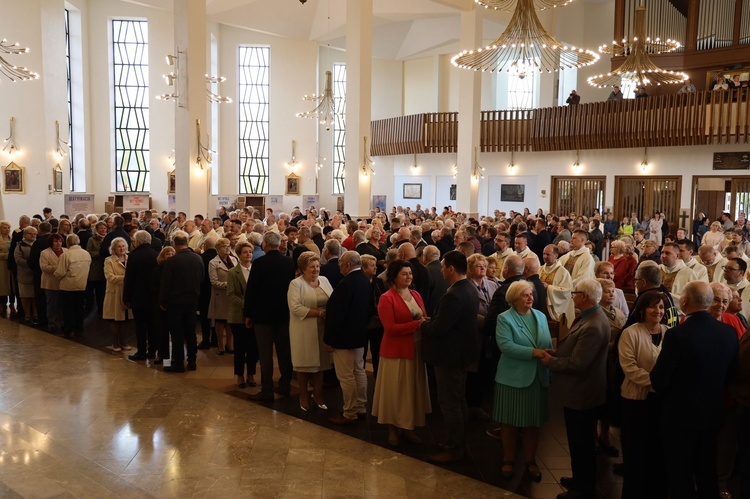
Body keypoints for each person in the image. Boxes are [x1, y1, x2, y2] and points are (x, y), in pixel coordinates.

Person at [651, 281, 739, 499]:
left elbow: (659, 379)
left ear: (684, 301)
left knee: (680, 472)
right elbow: (733, 375)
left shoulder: (678, 335)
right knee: (707, 469)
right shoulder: (728, 333)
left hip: (680, 416)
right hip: (713, 413)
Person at [541, 279, 610, 499]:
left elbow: (578, 364)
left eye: (575, 293)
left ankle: (583, 487)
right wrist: (557, 354)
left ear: (586, 297)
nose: (572, 296)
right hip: (582, 391)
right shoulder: (591, 317)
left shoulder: (593, 325)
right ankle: (579, 478)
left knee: (582, 442)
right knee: (577, 439)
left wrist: (550, 362)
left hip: (582, 392)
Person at [420, 250, 479, 463]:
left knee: (449, 403)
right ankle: (457, 442)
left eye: (444, 266)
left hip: (450, 355)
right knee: (458, 399)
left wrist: (423, 323)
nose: (442, 270)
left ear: (451, 269)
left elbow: (438, 329)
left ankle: (455, 448)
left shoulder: (454, 294)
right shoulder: (469, 287)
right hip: (462, 352)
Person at [494, 280, 552, 482]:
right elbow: (505, 346)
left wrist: (550, 354)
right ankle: (508, 459)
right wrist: (534, 352)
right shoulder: (505, 318)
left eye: (531, 294)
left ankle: (530, 460)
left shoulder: (541, 316)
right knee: (509, 422)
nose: (530, 298)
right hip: (512, 377)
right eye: (525, 295)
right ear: (514, 298)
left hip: (537, 377)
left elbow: (547, 342)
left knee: (532, 423)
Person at [372, 259, 431, 446]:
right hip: (395, 352)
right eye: (404, 274)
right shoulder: (386, 298)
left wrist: (426, 321)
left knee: (410, 391)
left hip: (416, 348)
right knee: (395, 392)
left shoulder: (415, 294)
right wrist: (418, 324)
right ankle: (392, 430)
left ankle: (407, 427)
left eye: (410, 274)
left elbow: (422, 315)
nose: (408, 277)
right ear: (394, 277)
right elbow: (390, 328)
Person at [618, 291, 669, 499]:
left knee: (657, 453)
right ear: (642, 310)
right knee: (635, 452)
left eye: (661, 307)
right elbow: (629, 367)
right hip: (635, 400)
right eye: (653, 307)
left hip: (660, 402)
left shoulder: (669, 332)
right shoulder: (631, 333)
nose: (658, 311)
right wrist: (656, 382)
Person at [244, 231, 296, 400]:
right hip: (283, 314)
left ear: (265, 244)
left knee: (265, 353)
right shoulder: (289, 263)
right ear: (279, 243)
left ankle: (267, 389)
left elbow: (251, 290)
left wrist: (248, 314)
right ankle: (285, 384)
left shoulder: (259, 263)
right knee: (284, 352)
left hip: (262, 315)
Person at [324, 251, 371, 424]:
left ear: (348, 265)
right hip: (359, 334)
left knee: (346, 376)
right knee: (359, 371)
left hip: (344, 337)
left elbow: (337, 315)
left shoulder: (346, 284)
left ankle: (349, 413)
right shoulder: (365, 280)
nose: (339, 266)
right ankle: (361, 407)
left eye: (341, 263)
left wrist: (329, 339)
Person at [288, 251, 333, 412]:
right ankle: (304, 395)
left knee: (320, 363)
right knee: (304, 364)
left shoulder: (324, 280)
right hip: (304, 328)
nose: (315, 270)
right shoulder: (296, 284)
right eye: (311, 267)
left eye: (317, 266)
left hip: (323, 328)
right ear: (302, 268)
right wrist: (319, 313)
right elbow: (295, 308)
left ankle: (318, 394)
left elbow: (332, 299)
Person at [160, 231, 205, 373]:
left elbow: (166, 284)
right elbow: (202, 279)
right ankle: (192, 361)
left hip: (175, 302)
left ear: (174, 244)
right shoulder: (198, 259)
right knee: (190, 332)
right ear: (187, 242)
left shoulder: (172, 261)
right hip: (192, 300)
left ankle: (178, 363)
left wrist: (163, 301)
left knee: (177, 333)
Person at [123, 230, 158, 361]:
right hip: (153, 296)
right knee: (152, 325)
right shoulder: (156, 254)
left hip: (138, 296)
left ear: (138, 241)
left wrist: (126, 297)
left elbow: (129, 278)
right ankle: (153, 350)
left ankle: (141, 351)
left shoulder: (134, 255)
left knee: (140, 326)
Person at [227, 241, 258, 388]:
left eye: (250, 252)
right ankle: (239, 375)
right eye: (245, 252)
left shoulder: (256, 271)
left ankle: (251, 374)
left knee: (253, 346)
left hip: (253, 315)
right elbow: (231, 294)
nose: (248, 254)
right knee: (240, 347)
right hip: (238, 315)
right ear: (239, 255)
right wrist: (248, 305)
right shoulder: (233, 272)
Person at [208, 238, 238, 355]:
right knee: (220, 321)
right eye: (224, 246)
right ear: (218, 248)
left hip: (231, 296)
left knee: (230, 320)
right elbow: (214, 281)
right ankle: (220, 344)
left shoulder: (234, 260)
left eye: (228, 246)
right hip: (220, 295)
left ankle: (229, 344)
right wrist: (229, 285)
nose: (227, 248)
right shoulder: (213, 262)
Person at [103, 237, 131, 352]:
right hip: (115, 292)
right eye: (119, 246)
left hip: (127, 292)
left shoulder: (130, 258)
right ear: (114, 248)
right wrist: (126, 279)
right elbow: (110, 277)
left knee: (125, 318)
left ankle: (123, 342)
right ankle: (115, 343)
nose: (122, 248)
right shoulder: (109, 261)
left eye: (123, 246)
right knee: (115, 318)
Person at [150, 246, 175, 365]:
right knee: (161, 330)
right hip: (160, 304)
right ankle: (161, 354)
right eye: (167, 253)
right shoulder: (157, 270)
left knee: (176, 331)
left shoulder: (177, 268)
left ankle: (176, 356)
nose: (170, 255)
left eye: (172, 253)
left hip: (174, 303)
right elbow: (154, 288)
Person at [40, 233, 65, 334]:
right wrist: (59, 268)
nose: (58, 243)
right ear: (51, 242)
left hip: (63, 282)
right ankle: (52, 324)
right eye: (55, 241)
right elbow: (44, 267)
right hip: (50, 282)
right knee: (52, 304)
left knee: (62, 304)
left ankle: (62, 322)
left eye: (59, 241)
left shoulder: (66, 251)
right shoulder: (45, 253)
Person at [14, 227, 37, 323]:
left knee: (35, 296)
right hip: (24, 273)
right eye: (30, 234)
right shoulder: (19, 245)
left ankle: (36, 314)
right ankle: (27, 314)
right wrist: (30, 263)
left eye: (34, 234)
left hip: (35, 273)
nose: (33, 236)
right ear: (25, 234)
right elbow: (18, 259)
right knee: (25, 296)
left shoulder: (37, 244)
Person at [86, 221, 108, 316]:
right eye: (101, 228)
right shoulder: (92, 239)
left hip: (105, 267)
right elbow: (88, 252)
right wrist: (99, 253)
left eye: (104, 228)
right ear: (97, 230)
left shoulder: (108, 238)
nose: (103, 230)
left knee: (102, 291)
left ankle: (101, 309)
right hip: (95, 267)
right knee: (92, 290)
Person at [0, 220, 12, 315]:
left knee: (12, 286)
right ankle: (2, 304)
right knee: (3, 285)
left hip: (11, 265)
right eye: (4, 228)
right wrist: (7, 255)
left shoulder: (12, 238)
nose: (7, 229)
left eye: (8, 228)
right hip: (2, 265)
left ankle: (12, 304)